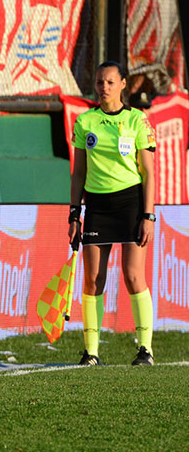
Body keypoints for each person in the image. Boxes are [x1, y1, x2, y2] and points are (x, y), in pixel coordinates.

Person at [68, 61, 157, 367]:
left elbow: (149, 173)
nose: (103, 88)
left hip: (131, 204)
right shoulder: (85, 122)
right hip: (97, 206)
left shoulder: (138, 121)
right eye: (99, 82)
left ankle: (145, 349)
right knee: (93, 279)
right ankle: (91, 353)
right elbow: (78, 173)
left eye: (109, 82)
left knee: (133, 276)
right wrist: (73, 215)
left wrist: (149, 216)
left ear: (122, 85)